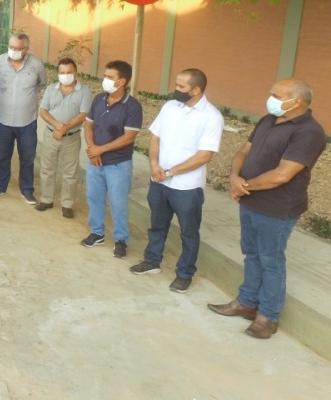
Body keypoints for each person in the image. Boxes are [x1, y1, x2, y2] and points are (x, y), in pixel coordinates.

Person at [208, 79, 326, 339]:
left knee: (271, 261)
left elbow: (282, 175)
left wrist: (243, 186)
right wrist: (234, 177)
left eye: (276, 95)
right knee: (251, 254)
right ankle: (247, 302)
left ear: (297, 101)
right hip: (251, 201)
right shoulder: (268, 120)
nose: (270, 98)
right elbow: (243, 151)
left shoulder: (309, 132)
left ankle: (268, 316)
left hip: (277, 207)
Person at [130, 69, 223, 293]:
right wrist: (154, 165)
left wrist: (170, 172)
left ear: (196, 90)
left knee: (189, 232)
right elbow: (155, 137)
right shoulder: (170, 107)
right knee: (157, 224)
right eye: (176, 84)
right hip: (159, 181)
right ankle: (152, 260)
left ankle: (184, 274)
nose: (175, 89)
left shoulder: (212, 117)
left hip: (186, 188)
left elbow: (204, 155)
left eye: (181, 87)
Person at [81, 60, 142, 259]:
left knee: (118, 203)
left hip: (118, 164)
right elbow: (88, 125)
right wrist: (92, 149)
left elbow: (129, 137)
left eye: (109, 77)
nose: (104, 80)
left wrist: (100, 150)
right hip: (95, 162)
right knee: (94, 198)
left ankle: (121, 239)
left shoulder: (132, 106)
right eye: (105, 76)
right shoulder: (99, 99)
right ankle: (97, 233)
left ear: (122, 81)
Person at [0, 33, 47, 204]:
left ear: (26, 49)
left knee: (27, 157)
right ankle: (0, 185)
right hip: (3, 119)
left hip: (27, 121)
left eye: (18, 48)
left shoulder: (36, 65)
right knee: (2, 156)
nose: (13, 50)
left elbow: (41, 83)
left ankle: (27, 190)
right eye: (11, 47)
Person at [36, 57, 92, 218]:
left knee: (70, 172)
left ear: (76, 73)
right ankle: (46, 199)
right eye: (62, 72)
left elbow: (83, 114)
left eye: (69, 72)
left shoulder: (84, 91)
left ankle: (67, 204)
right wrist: (57, 125)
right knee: (47, 168)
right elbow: (43, 111)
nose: (65, 75)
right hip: (51, 135)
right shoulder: (51, 89)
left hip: (71, 138)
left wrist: (64, 129)